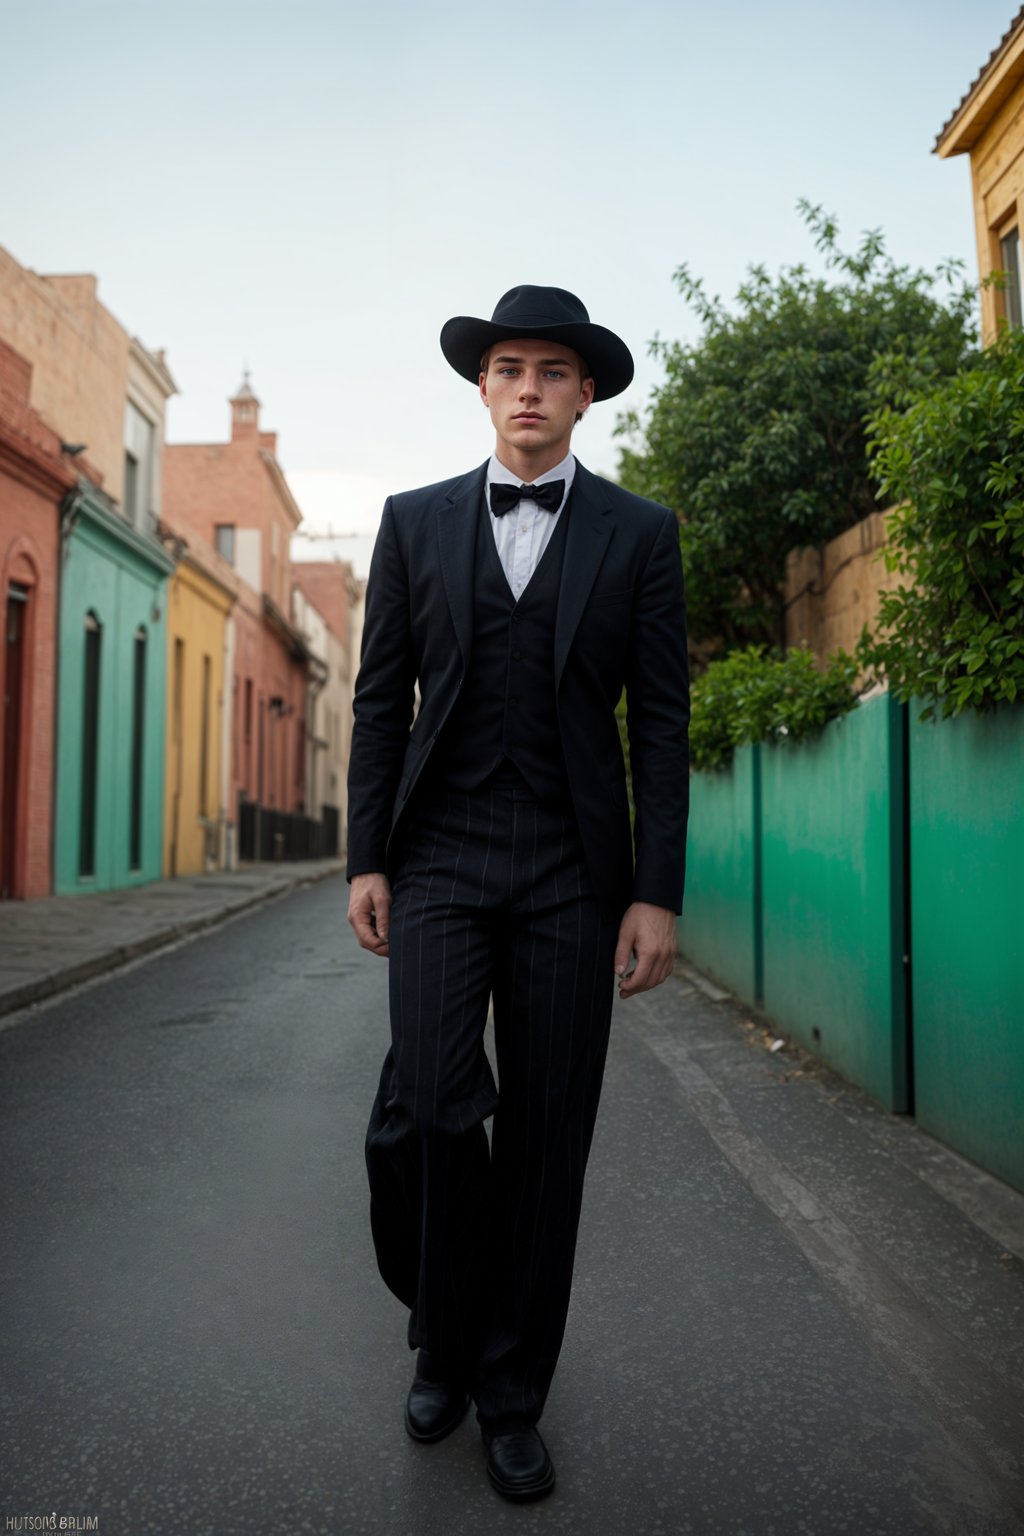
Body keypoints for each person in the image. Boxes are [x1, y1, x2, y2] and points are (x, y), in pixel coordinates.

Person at [346, 284, 689, 1502]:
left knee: (547, 1139)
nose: (528, 388)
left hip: (568, 871)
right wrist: (366, 857)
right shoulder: (411, 522)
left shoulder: (639, 535)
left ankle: (508, 1387)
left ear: (583, 392)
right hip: (437, 855)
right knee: (435, 1108)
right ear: (481, 389)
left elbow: (660, 719)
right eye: (507, 368)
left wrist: (655, 893)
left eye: (551, 369)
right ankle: (440, 1329)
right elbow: (381, 699)